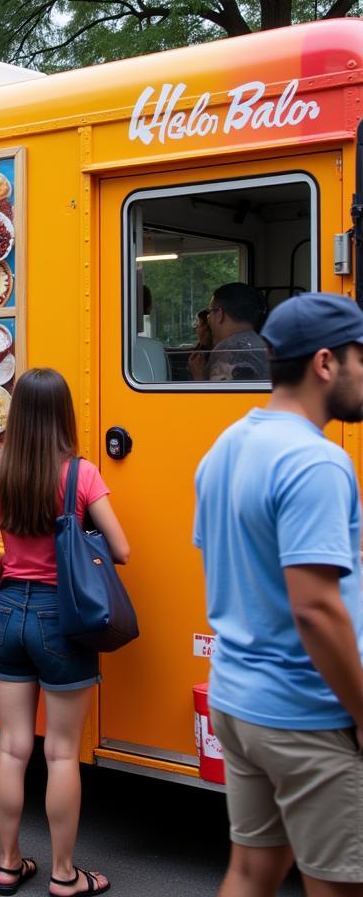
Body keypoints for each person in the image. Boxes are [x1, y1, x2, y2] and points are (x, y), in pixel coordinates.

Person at [195, 292, 363, 895]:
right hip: (308, 711)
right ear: (325, 363)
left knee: (252, 869)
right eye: (359, 359)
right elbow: (315, 608)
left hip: (238, 699)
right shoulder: (318, 462)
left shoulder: (223, 450)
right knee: (338, 883)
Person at [0, 368, 128, 897]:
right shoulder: (80, 476)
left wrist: (12, 584)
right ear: (64, 414)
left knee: (12, 749)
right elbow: (122, 550)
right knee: (61, 752)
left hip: (8, 610)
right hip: (62, 621)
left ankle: (9, 863)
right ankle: (65, 874)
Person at [189, 282, 268, 382]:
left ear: (220, 314)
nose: (209, 319)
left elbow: (218, 397)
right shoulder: (263, 345)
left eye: (210, 312)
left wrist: (199, 376)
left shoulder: (227, 352)